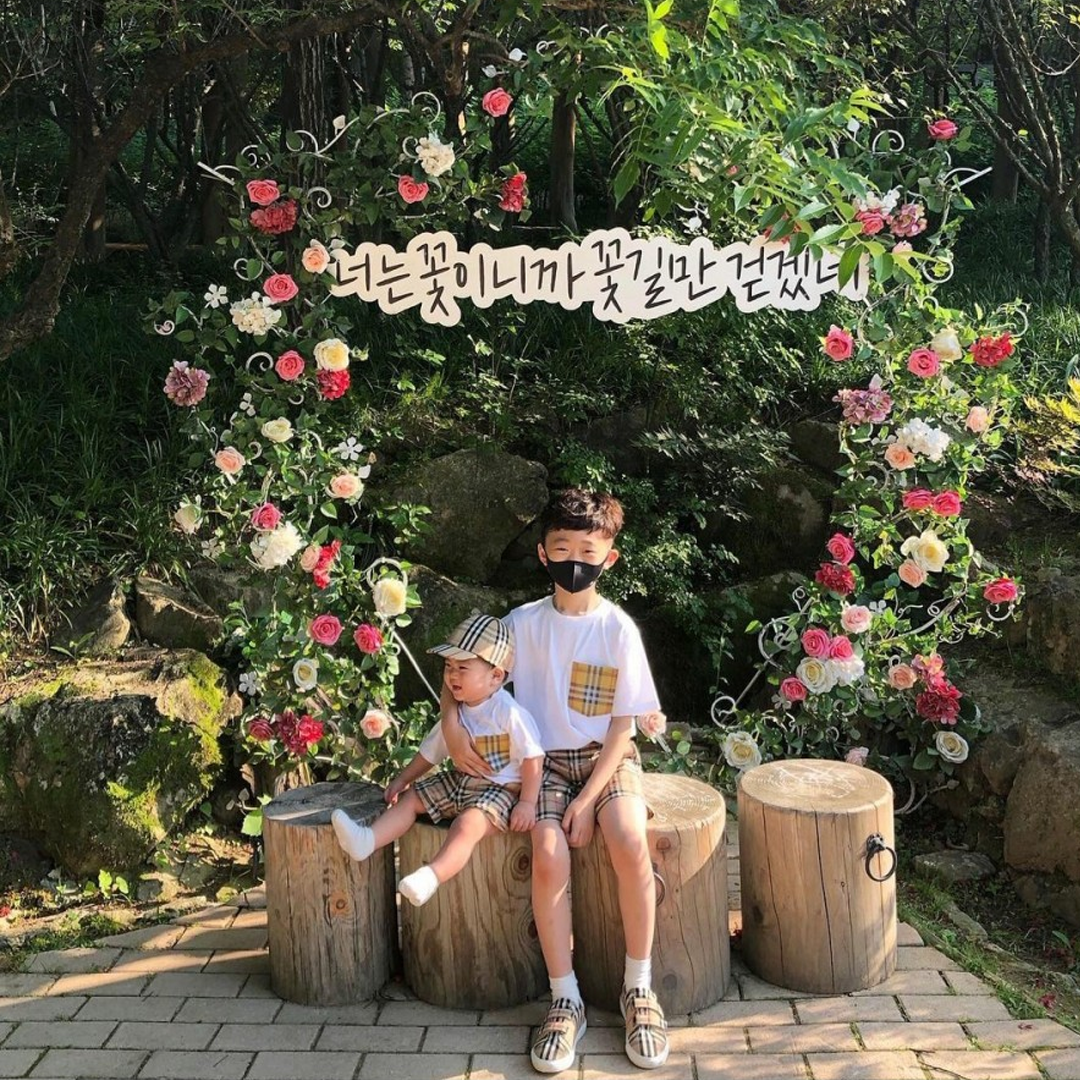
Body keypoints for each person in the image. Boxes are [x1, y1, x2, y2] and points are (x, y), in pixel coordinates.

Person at [441, 489, 668, 1073]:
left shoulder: (617, 629)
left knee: (628, 836)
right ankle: (564, 997)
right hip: (539, 763)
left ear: (608, 558)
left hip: (605, 762)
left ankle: (638, 987)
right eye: (561, 547)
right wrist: (450, 722)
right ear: (543, 553)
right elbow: (465, 674)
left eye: (587, 550)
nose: (574, 560)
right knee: (547, 851)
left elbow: (624, 727)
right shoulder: (519, 625)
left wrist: (590, 800)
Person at [331, 612, 544, 907]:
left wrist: (528, 802)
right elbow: (430, 753)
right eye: (448, 667)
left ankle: (431, 876)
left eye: (463, 668)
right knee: (412, 798)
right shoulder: (455, 715)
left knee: (467, 826)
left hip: (500, 793)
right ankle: (366, 841)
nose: (452, 676)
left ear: (496, 676)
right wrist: (404, 779)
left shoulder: (508, 713)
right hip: (459, 781)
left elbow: (533, 757)